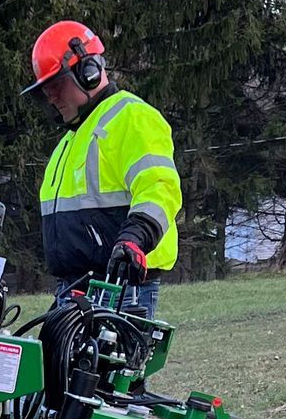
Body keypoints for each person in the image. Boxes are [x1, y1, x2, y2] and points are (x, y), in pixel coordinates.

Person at [24, 21, 182, 314]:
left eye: (57, 85)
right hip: (76, 290)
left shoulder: (131, 117)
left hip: (119, 291)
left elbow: (160, 188)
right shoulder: (71, 140)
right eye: (47, 90)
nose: (51, 97)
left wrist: (135, 238)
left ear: (89, 71)